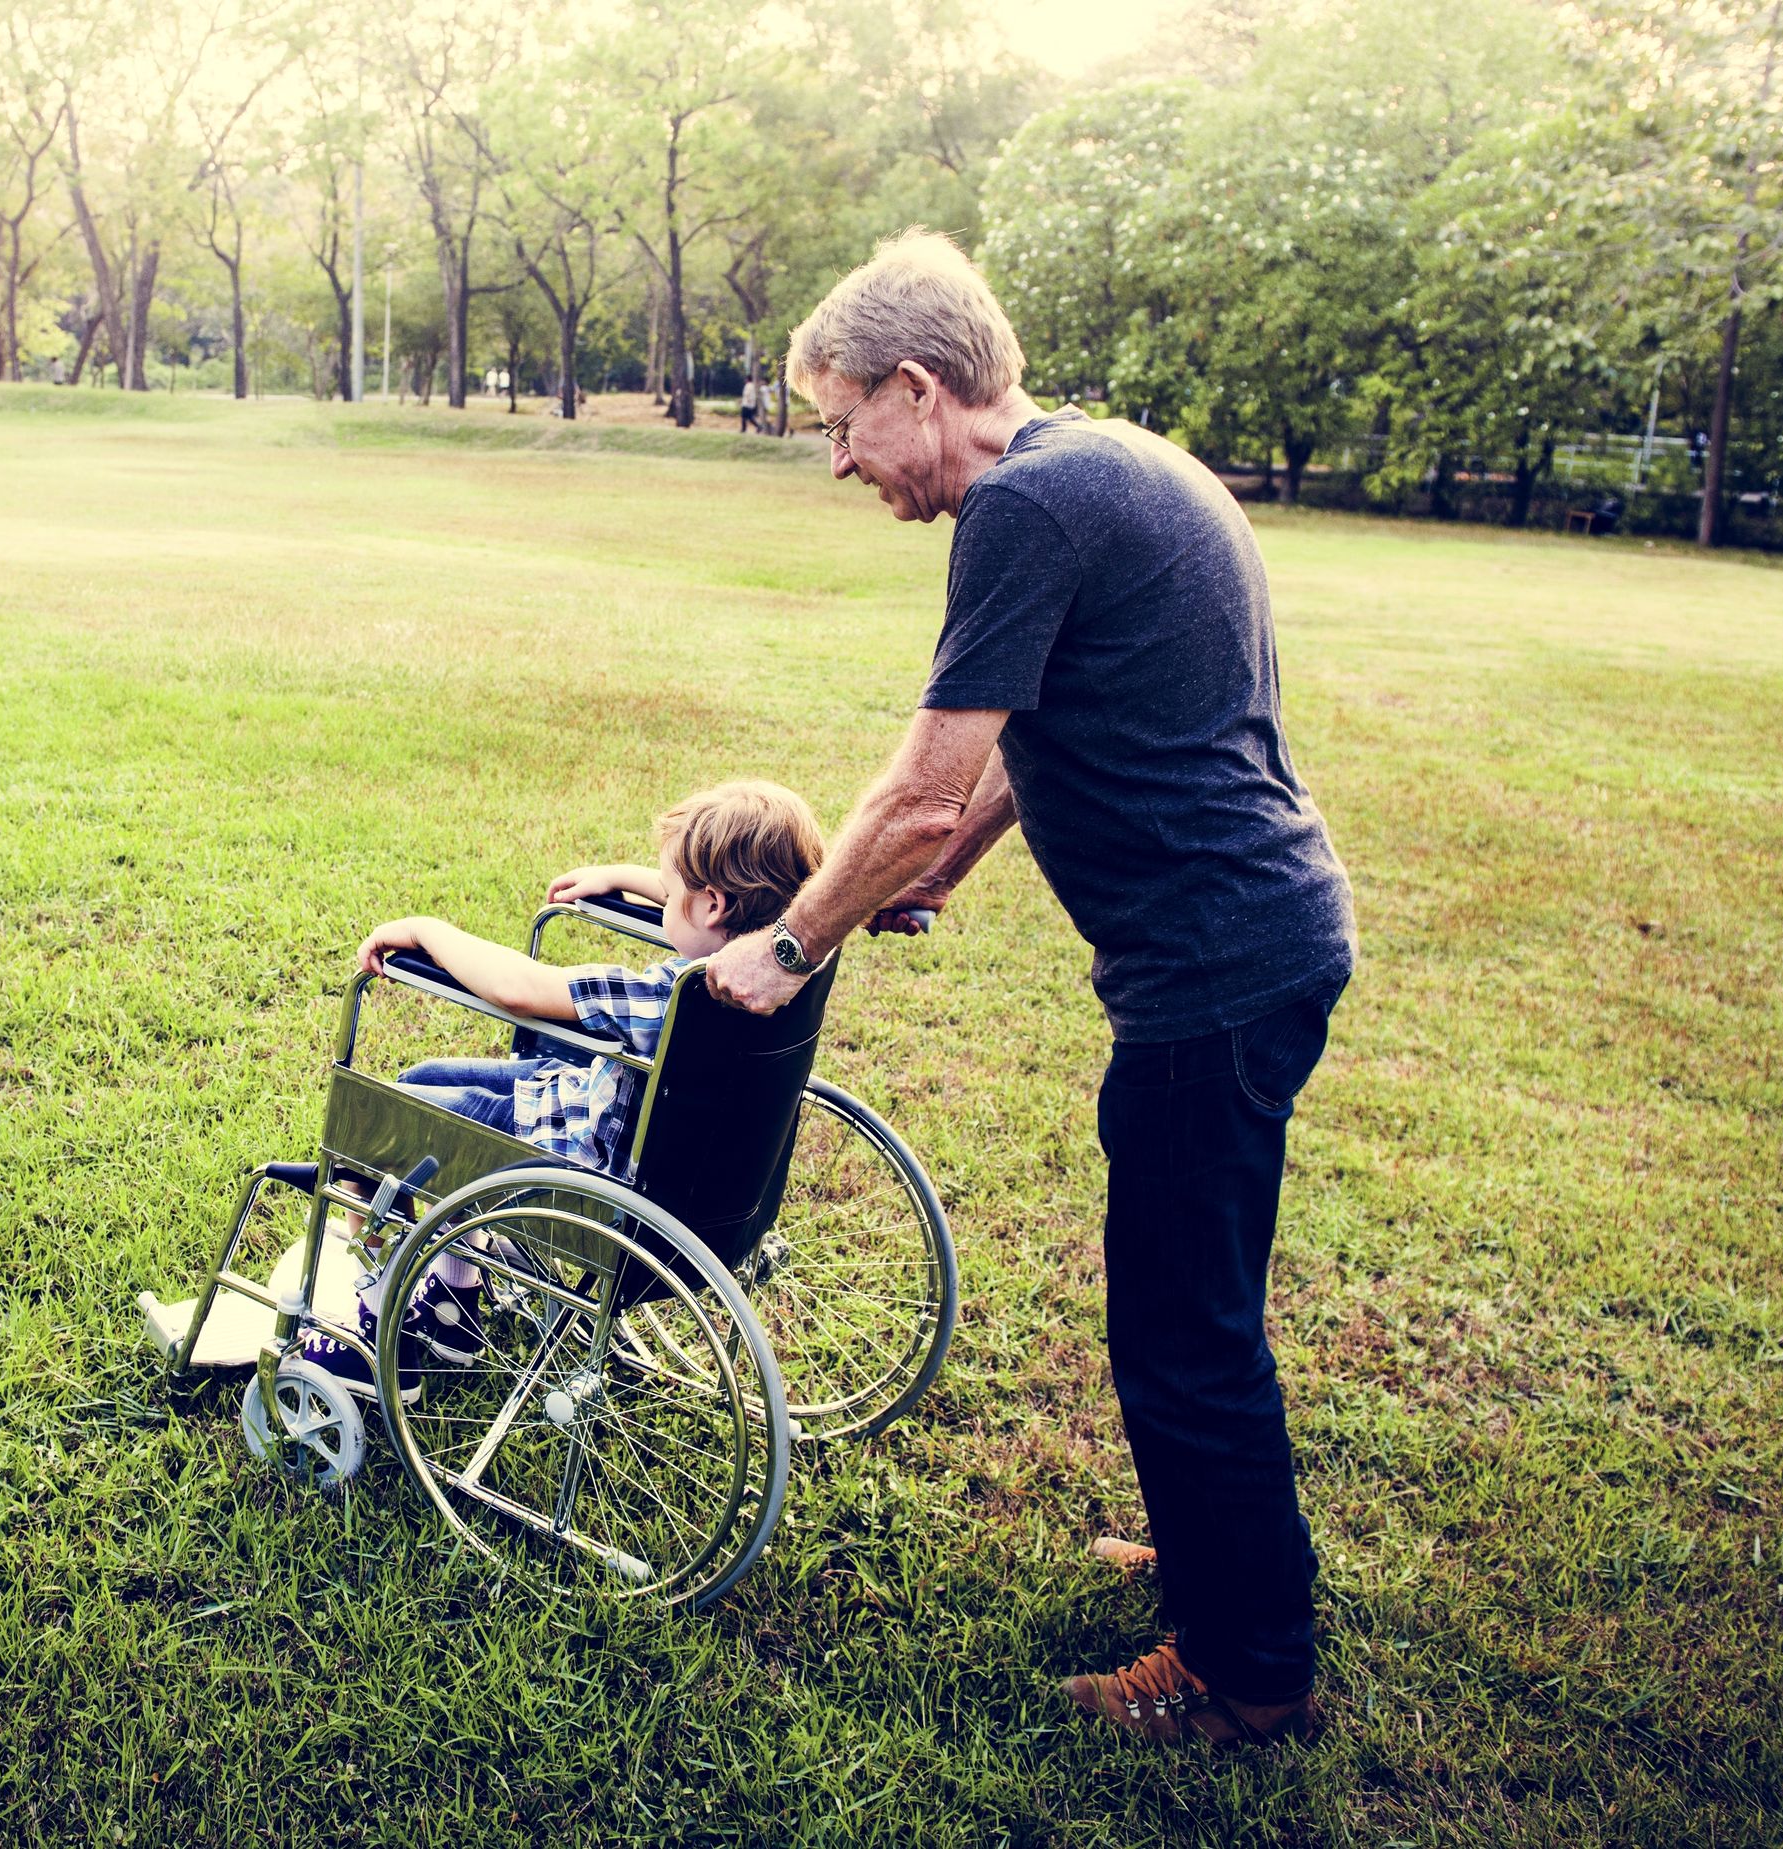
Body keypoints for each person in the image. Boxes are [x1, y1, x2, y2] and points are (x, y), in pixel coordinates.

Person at [708, 230, 1356, 1748]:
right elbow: (1025, 741)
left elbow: (923, 785)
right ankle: (1214, 1556)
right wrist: (948, 869)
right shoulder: (1115, 463)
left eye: (841, 423)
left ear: (916, 387)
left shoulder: (1022, 505)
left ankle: (1246, 1671)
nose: (839, 461)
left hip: (1212, 969)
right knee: (1196, 1304)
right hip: (1264, 943)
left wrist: (789, 945)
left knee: (1184, 1330)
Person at [299, 780, 828, 1395]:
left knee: (387, 1129)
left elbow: (521, 989)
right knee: (420, 1083)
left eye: (668, 889)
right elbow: (704, 901)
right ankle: (452, 1303)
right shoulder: (796, 964)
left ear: (712, 906)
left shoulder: (675, 995)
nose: (661, 898)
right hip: (677, 1175)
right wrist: (620, 877)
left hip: (585, 1170)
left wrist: (425, 931)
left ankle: (370, 1320)